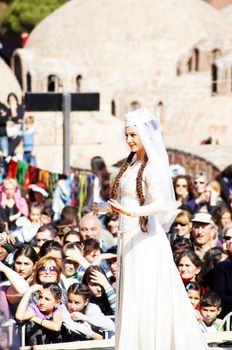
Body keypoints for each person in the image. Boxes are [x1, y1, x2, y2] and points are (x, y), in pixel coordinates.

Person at [103, 108, 208, 350]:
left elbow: (162, 204)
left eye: (133, 135)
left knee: (145, 292)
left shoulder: (151, 166)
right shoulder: (130, 165)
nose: (129, 140)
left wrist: (132, 212)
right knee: (131, 291)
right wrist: (109, 209)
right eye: (126, 135)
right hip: (127, 235)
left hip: (144, 236)